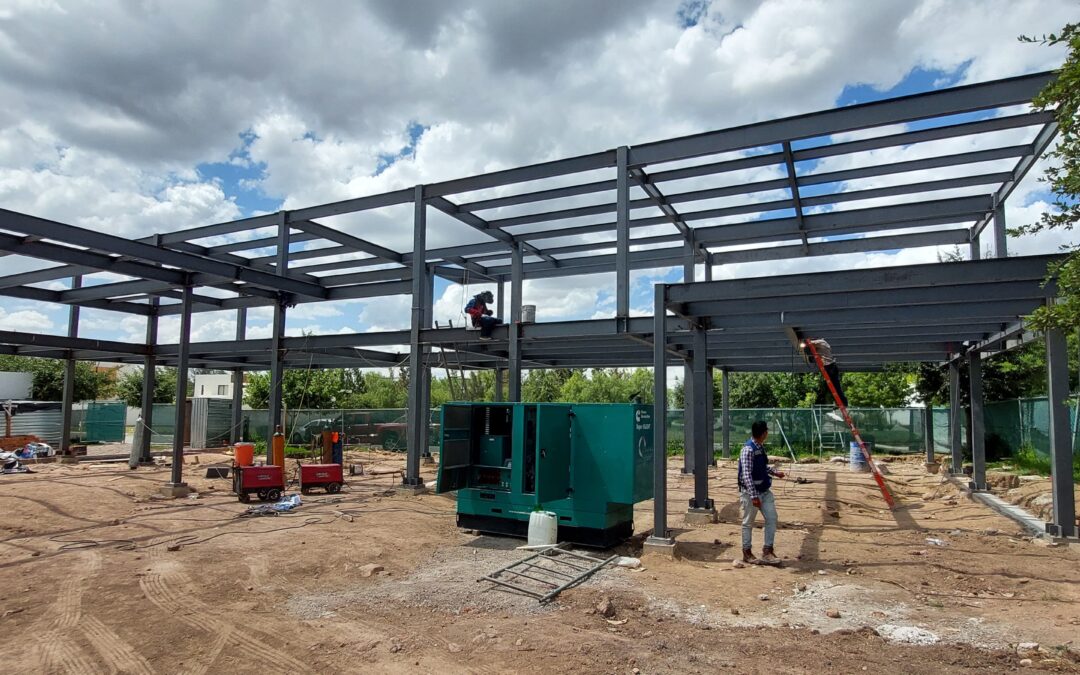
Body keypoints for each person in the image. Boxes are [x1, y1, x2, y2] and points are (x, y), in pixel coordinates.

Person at [738, 420, 785, 566]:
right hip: (751, 493)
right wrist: (753, 496)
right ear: (764, 433)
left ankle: (767, 551)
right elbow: (746, 475)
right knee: (748, 523)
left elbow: (762, 467)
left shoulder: (759, 447)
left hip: (764, 491)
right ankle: (747, 552)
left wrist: (775, 473)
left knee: (772, 518)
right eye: (767, 431)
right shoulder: (748, 449)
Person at [805, 338, 846, 422]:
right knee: (835, 387)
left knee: (830, 388)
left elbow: (809, 343)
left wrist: (805, 343)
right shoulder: (825, 344)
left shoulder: (820, 342)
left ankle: (839, 403)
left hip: (828, 366)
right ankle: (842, 402)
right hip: (832, 366)